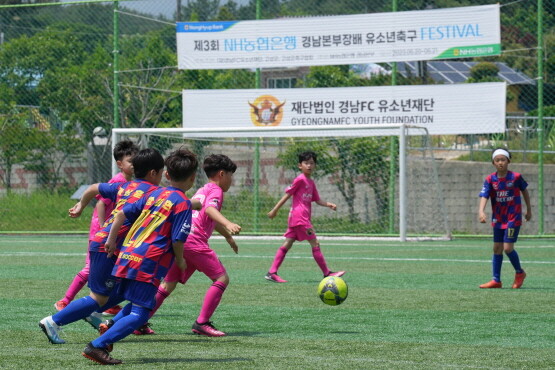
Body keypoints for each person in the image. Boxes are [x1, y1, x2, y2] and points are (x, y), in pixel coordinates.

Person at [82, 148, 198, 365]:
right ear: (192, 178)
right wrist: (181, 260)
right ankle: (96, 346)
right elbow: (178, 240)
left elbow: (122, 213)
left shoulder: (154, 193)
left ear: (167, 175)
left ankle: (105, 332)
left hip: (127, 254)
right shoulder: (182, 204)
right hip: (149, 261)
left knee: (127, 299)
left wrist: (112, 239)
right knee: (141, 313)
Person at [39, 148, 165, 345]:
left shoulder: (125, 186)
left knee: (122, 290)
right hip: (107, 245)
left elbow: (93, 188)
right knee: (98, 298)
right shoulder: (154, 192)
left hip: (108, 244)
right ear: (153, 173)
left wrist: (80, 206)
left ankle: (90, 311)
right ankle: (53, 321)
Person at [121, 154, 241, 338]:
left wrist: (228, 238)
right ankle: (202, 322)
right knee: (222, 279)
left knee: (168, 285)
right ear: (222, 174)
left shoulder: (203, 189)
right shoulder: (216, 190)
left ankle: (140, 321)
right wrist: (229, 224)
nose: (231, 181)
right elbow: (210, 210)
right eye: (231, 176)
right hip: (195, 241)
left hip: (184, 239)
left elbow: (207, 215)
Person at [55, 140, 139, 316]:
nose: (134, 164)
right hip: (102, 229)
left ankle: (108, 301)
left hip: (111, 229)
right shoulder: (119, 181)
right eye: (130, 161)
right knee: (90, 267)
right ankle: (65, 301)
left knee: (113, 265)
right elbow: (101, 204)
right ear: (119, 164)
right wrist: (103, 229)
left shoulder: (130, 181)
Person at [265, 151, 345, 283]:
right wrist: (275, 210)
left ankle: (272, 272)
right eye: (306, 163)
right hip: (300, 218)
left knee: (288, 243)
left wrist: (328, 204)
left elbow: (317, 200)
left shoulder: (311, 182)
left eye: (312, 163)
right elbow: (287, 194)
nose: (309, 165)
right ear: (299, 165)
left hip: (298, 219)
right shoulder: (300, 179)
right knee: (315, 243)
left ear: (315, 165)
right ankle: (327, 273)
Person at [478, 147, 531, 289]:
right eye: (497, 160)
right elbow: (484, 195)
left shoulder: (516, 177)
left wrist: (529, 210)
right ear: (493, 163)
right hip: (498, 219)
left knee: (507, 248)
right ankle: (496, 280)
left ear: (508, 161)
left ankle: (520, 273)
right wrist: (481, 211)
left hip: (513, 218)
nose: (500, 162)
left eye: (503, 159)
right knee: (497, 248)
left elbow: (524, 191)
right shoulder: (490, 179)